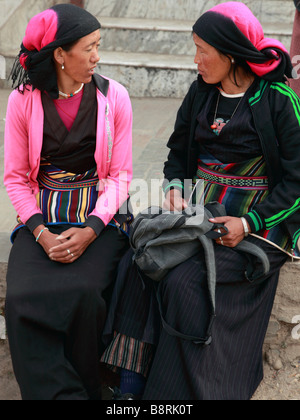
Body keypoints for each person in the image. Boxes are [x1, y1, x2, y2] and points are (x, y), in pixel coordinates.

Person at [101, 2, 300, 400]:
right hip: (199, 213)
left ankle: (179, 395)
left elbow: (297, 180)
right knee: (137, 262)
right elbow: (177, 151)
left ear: (229, 54)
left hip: (257, 223)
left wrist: (249, 224)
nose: (196, 61)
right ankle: (129, 384)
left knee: (184, 282)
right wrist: (175, 187)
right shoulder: (200, 93)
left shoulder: (276, 99)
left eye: (202, 50)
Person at [4, 3, 132, 400]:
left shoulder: (115, 97)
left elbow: (120, 176)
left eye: (99, 45)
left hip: (100, 217)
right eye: (89, 47)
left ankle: (87, 387)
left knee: (86, 292)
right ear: (60, 54)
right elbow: (15, 179)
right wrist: (40, 233)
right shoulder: (23, 101)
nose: (97, 56)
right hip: (43, 218)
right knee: (21, 298)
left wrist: (92, 229)